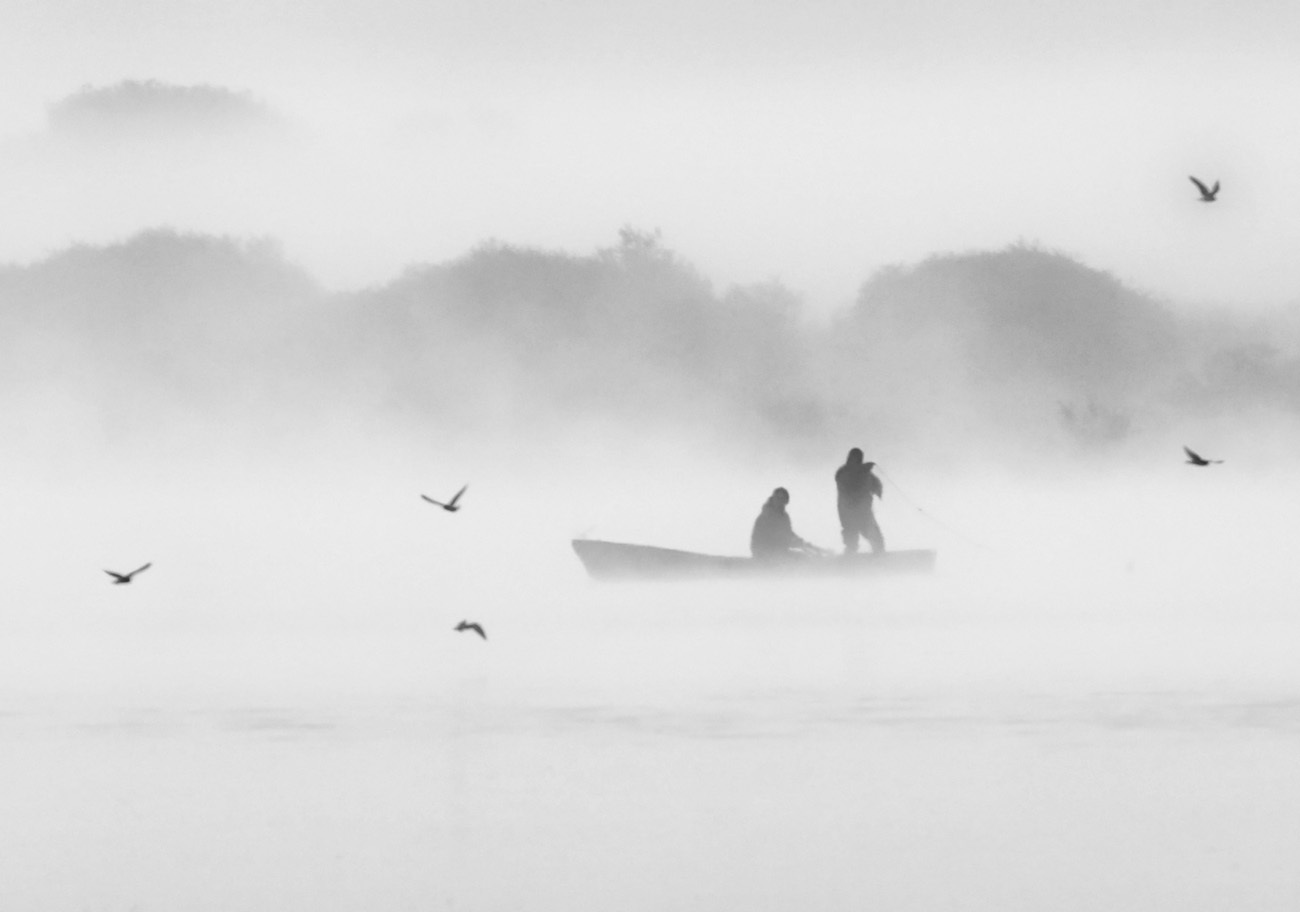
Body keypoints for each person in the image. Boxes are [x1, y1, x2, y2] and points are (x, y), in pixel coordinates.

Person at [835, 448, 884, 554]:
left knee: (874, 536)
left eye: (857, 458)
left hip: (862, 512)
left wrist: (878, 489)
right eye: (854, 458)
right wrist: (863, 470)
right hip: (850, 512)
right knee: (852, 536)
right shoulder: (843, 473)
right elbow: (849, 482)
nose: (855, 460)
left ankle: (879, 555)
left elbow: (876, 484)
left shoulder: (864, 472)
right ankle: (851, 557)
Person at [750, 487, 818, 561]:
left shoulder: (784, 516)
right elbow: (779, 537)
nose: (780, 501)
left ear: (786, 501)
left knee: (804, 557)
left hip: (778, 553)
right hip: (764, 555)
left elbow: (788, 533)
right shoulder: (766, 516)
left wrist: (803, 543)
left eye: (783, 499)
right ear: (773, 499)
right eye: (778, 498)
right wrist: (796, 543)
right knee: (799, 560)